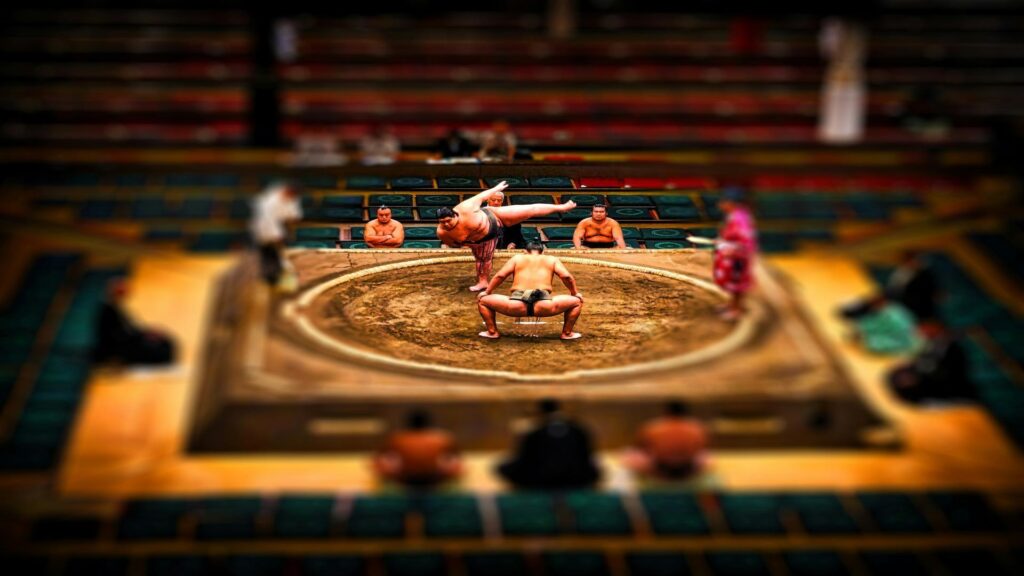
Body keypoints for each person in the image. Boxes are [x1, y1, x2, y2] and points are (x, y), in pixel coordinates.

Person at [437, 181, 576, 291]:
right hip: (482, 239)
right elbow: (454, 243)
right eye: (443, 223)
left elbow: (483, 195)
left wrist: (496, 187)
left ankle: (561, 207)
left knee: (530, 209)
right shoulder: (442, 232)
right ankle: (483, 282)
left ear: (456, 215)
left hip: (492, 216)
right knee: (482, 259)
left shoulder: (466, 207)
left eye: (449, 221)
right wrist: (468, 244)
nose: (447, 224)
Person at [477, 241, 584, 340]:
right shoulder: (551, 259)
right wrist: (574, 293)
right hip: (544, 305)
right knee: (577, 302)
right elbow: (566, 277)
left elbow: (500, 276)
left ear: (525, 251)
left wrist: (487, 292)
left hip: (515, 305)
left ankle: (492, 332)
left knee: (483, 301)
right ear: (543, 252)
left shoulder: (517, 258)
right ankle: (567, 333)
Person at [496, 399, 600, 489]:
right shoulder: (578, 429)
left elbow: (523, 459)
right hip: (577, 480)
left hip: (540, 481)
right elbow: (588, 458)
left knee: (503, 467)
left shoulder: (535, 432)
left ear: (540, 412)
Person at [92, 278, 176, 366]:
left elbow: (131, 326)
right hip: (121, 346)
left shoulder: (115, 307)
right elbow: (114, 334)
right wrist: (141, 336)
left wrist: (147, 332)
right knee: (161, 349)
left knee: (164, 341)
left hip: (128, 340)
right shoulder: (107, 310)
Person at [840, 250, 940, 323]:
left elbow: (924, 296)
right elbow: (894, 285)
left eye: (915, 261)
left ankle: (860, 316)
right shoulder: (903, 271)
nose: (912, 263)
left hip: (909, 303)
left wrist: (892, 300)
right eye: (910, 261)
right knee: (876, 299)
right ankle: (852, 312)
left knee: (882, 302)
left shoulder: (925, 277)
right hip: (894, 296)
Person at [887, 322, 975, 404]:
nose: (906, 379)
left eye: (902, 378)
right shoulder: (933, 383)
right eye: (904, 382)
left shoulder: (924, 356)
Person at [372, 410, 463, 487]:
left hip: (410, 477)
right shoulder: (443, 439)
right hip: (429, 478)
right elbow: (456, 461)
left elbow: (379, 461)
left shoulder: (398, 439)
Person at [622, 401, 708, 480]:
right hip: (688, 470)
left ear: (667, 412)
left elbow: (641, 448)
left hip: (660, 470)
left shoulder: (653, 427)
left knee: (629, 453)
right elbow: (700, 448)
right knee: (706, 456)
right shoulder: (697, 428)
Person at [708, 186, 758, 321]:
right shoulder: (734, 215)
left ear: (731, 203)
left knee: (737, 283)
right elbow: (731, 235)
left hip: (738, 256)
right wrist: (722, 241)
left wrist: (731, 249)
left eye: (723, 202)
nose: (720, 205)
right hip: (733, 253)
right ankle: (731, 305)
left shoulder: (740, 218)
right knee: (732, 282)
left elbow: (746, 240)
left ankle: (736, 309)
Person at [250, 180, 303, 286]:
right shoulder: (270, 201)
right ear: (287, 190)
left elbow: (294, 215)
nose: (292, 196)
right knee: (269, 255)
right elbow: (267, 220)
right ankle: (269, 279)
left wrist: (290, 221)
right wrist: (276, 236)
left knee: (279, 256)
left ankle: (277, 277)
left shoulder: (292, 198)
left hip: (281, 228)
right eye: (291, 193)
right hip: (265, 229)